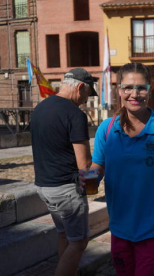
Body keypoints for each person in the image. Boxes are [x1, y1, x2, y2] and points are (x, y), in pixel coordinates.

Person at [91, 63, 154, 276]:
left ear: (149, 90)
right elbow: (98, 166)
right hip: (120, 227)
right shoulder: (107, 129)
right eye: (128, 88)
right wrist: (86, 178)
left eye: (141, 88)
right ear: (119, 90)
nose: (134, 94)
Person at [31, 68, 98, 276]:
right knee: (79, 242)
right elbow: (84, 165)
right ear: (79, 87)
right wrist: (97, 177)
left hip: (44, 186)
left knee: (64, 236)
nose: (86, 100)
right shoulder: (74, 114)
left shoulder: (40, 108)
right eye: (87, 94)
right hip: (66, 189)